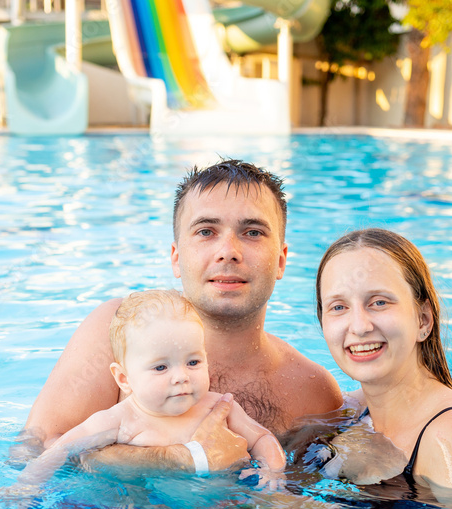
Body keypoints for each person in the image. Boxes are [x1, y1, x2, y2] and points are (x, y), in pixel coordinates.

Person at [19, 159, 342, 471]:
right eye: (206, 231)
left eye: (253, 232)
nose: (228, 250)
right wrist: (182, 459)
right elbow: (34, 448)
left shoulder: (313, 392)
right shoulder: (118, 329)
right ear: (176, 257)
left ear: (282, 260)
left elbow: (294, 500)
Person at [6, 290, 286, 495]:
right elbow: (62, 448)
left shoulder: (218, 407)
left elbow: (262, 437)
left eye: (193, 362)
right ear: (124, 378)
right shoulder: (119, 419)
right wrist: (26, 485)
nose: (181, 377)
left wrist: (272, 469)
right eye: (161, 367)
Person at [307, 227, 452, 493]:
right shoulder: (351, 412)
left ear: (423, 320)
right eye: (339, 307)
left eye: (379, 302)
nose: (359, 326)